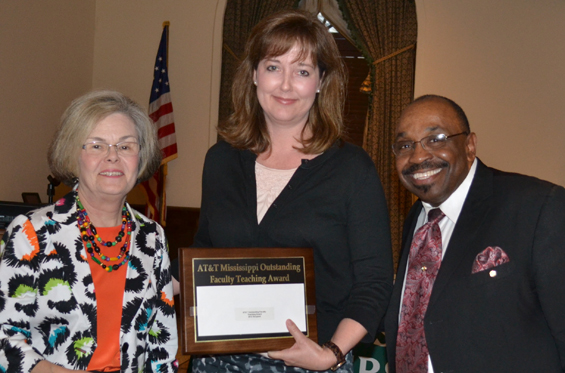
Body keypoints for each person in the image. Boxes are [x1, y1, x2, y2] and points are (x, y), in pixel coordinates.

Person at [171, 9, 393, 373]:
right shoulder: (221, 161)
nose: (286, 85)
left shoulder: (352, 169)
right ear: (255, 75)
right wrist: (142, 287)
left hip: (313, 362)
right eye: (273, 67)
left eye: (302, 71)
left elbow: (375, 281)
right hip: (218, 362)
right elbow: (207, 248)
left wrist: (331, 354)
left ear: (321, 81)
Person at [0, 90, 178, 373]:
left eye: (125, 146)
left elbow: (162, 342)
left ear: (140, 157)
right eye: (96, 146)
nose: (112, 157)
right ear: (73, 154)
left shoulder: (152, 236)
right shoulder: (31, 232)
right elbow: (5, 337)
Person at [384, 94, 565, 372]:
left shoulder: (539, 207)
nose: (418, 156)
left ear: (469, 146)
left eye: (436, 139)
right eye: (405, 145)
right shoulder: (417, 220)